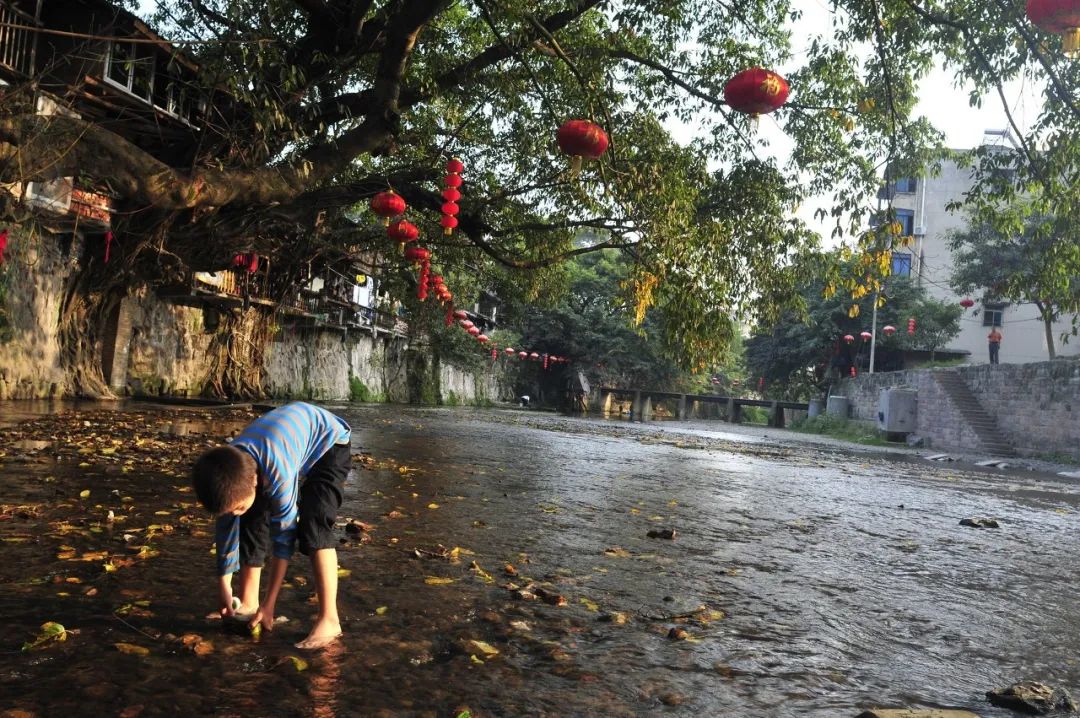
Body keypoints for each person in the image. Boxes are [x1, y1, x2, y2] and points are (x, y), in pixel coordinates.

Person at [191, 402, 352, 650]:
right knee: (251, 515)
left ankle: (329, 619)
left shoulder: (278, 473)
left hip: (329, 443)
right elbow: (226, 527)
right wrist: (223, 585)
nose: (234, 513)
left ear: (255, 480)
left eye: (238, 507)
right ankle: (248, 601)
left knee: (314, 523)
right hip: (284, 439)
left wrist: (271, 604)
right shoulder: (229, 468)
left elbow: (284, 539)